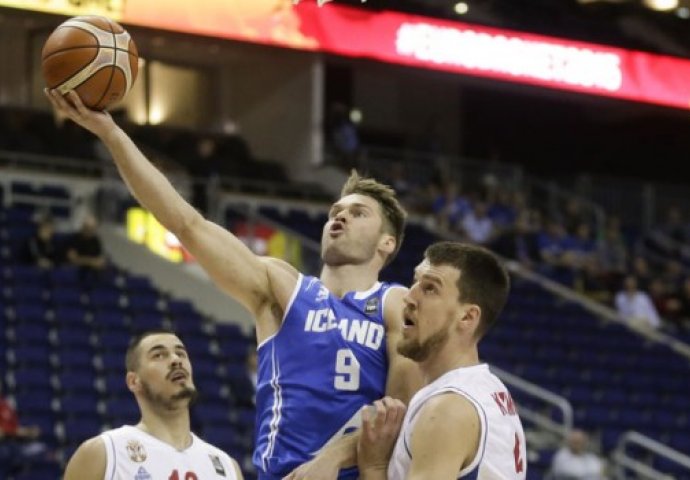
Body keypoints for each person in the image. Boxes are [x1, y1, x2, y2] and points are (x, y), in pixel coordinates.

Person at [47, 90, 421, 480]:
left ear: (387, 243)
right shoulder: (283, 288)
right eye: (335, 212)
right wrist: (111, 134)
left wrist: (332, 457)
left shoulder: (395, 303)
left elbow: (399, 409)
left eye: (357, 213)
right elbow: (185, 223)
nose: (338, 219)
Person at [358, 241, 527, 479]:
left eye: (430, 289)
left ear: (467, 317)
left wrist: (373, 468)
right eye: (415, 282)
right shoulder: (491, 389)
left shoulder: (447, 409)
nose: (409, 297)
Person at [63, 330, 243, 479]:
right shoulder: (103, 453)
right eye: (159, 355)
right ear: (134, 381)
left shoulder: (227, 468)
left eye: (180, 353)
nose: (175, 360)